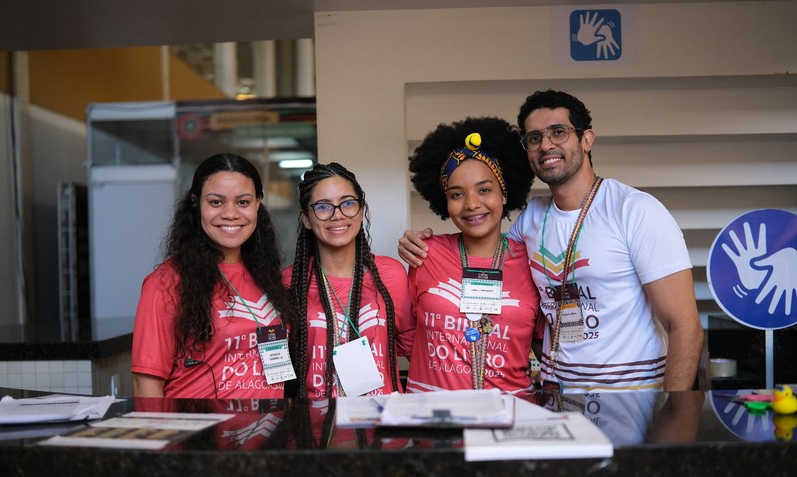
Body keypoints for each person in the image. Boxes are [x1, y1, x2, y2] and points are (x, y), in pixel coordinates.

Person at [400, 90, 704, 392]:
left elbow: (686, 327)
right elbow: (489, 253)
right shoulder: (530, 221)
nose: (546, 145)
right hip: (558, 395)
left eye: (559, 132)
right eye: (534, 138)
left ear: (587, 140)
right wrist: (418, 242)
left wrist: (677, 416)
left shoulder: (635, 210)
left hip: (630, 395)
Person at [132, 153, 292, 399]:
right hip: (198, 431)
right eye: (216, 202)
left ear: (258, 203)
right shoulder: (165, 283)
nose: (230, 213)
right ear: (197, 203)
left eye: (243, 202)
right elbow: (146, 386)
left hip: (267, 431)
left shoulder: (268, 277)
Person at [405, 116, 540, 394]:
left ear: (504, 193)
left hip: (513, 418)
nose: (472, 204)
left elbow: (544, 345)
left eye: (484, 190)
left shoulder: (531, 261)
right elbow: (404, 337)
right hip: (434, 423)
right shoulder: (424, 254)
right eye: (456, 194)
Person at [283, 162, 415, 400]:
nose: (338, 215)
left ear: (361, 209)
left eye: (348, 203)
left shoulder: (390, 274)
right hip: (315, 424)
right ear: (305, 219)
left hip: (382, 422)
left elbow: (417, 350)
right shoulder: (289, 282)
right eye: (323, 207)